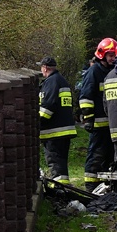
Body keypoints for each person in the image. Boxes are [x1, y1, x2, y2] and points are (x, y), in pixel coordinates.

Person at [78, 38, 116, 191]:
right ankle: (90, 184)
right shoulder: (94, 72)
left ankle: (104, 185)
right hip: (98, 124)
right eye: (110, 55)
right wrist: (88, 118)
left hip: (110, 124)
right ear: (102, 55)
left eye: (114, 55)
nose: (113, 58)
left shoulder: (111, 72)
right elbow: (85, 97)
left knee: (108, 156)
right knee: (95, 155)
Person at [38, 56, 77, 184]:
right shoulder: (61, 80)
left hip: (54, 131)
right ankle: (63, 187)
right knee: (61, 162)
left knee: (55, 163)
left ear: (45, 68)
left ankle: (59, 190)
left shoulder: (51, 82)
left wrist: (37, 123)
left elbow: (48, 106)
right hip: (64, 130)